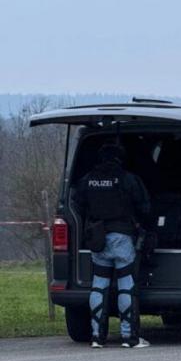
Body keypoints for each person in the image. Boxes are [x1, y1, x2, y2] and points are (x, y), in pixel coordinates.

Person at [74, 143, 151, 348]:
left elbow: (77, 204)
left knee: (99, 285)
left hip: (97, 238)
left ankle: (97, 337)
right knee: (126, 284)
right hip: (122, 237)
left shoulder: (88, 179)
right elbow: (144, 206)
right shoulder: (127, 179)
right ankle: (129, 338)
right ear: (120, 158)